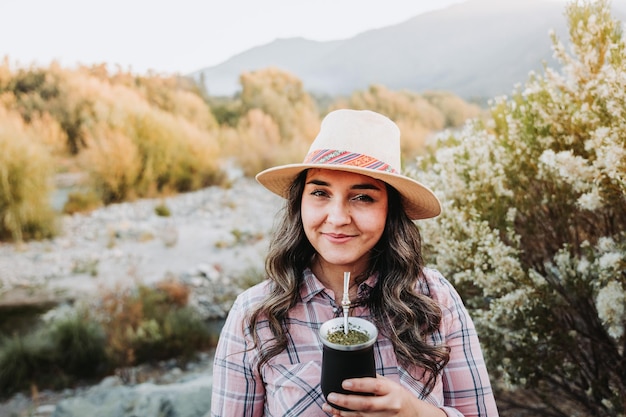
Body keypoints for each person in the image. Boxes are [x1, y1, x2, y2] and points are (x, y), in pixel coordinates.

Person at [210, 109, 499, 416]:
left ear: (391, 210)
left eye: (362, 197)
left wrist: (416, 413)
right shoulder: (254, 314)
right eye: (320, 192)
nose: (337, 218)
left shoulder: (436, 298)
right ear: (300, 203)